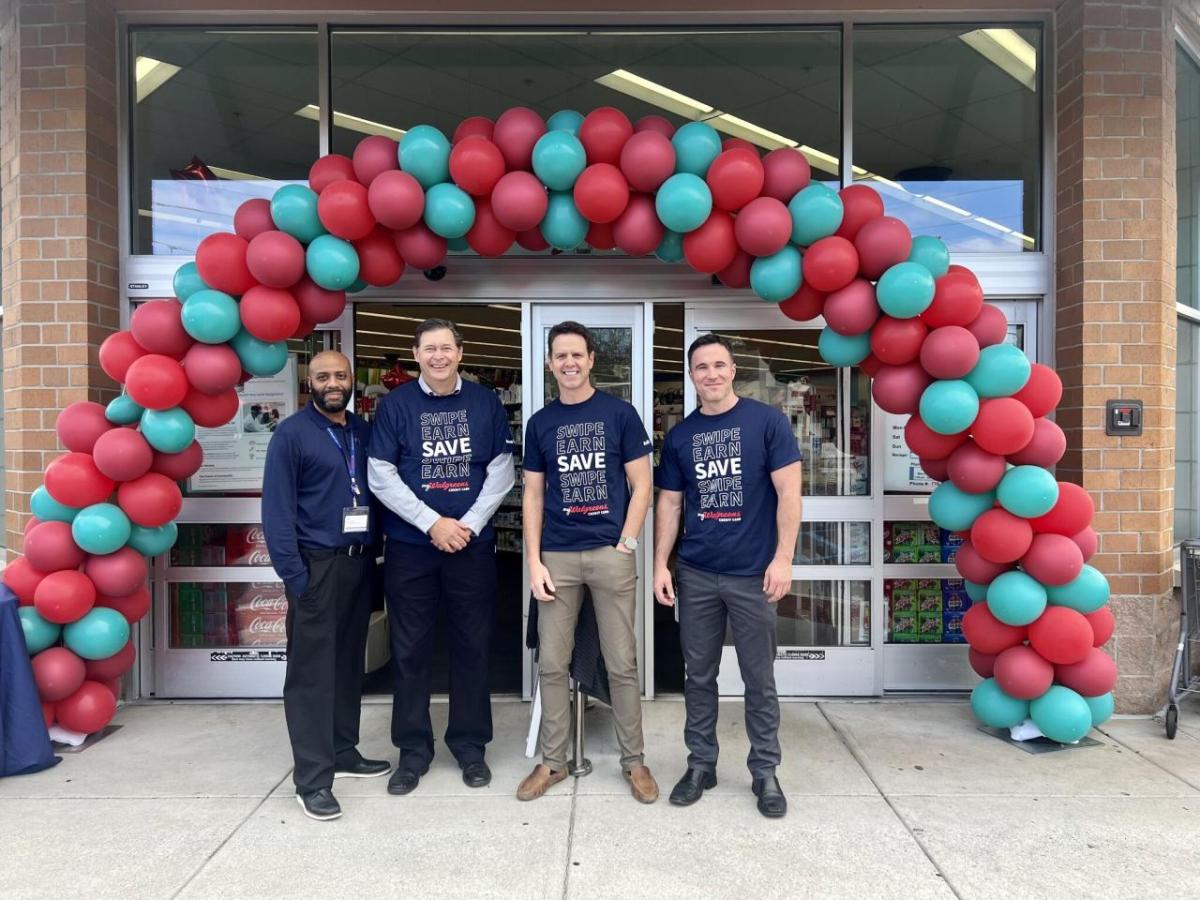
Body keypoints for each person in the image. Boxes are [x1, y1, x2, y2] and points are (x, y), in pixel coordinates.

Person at [653, 333, 802, 819]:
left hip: (752, 576)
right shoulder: (680, 436)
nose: (711, 374)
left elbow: (789, 495)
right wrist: (661, 564)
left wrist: (783, 558)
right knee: (699, 676)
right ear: (692, 376)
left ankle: (764, 771)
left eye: (719, 365)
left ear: (733, 370)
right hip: (697, 574)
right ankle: (701, 765)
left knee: (760, 679)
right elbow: (670, 504)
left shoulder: (766, 423)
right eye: (701, 367)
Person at [367, 318, 515, 795]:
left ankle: (470, 747)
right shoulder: (395, 405)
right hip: (412, 549)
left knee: (472, 647)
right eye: (429, 348)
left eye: (446, 348)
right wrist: (432, 523)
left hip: (471, 547)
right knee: (409, 650)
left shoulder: (484, 401)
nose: (438, 356)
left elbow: (501, 470)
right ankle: (413, 750)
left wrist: (466, 524)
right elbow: (380, 474)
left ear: (460, 352)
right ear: (415, 354)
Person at [518, 321, 658, 804]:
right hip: (556, 555)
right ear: (550, 362)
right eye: (561, 356)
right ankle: (553, 762)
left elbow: (643, 484)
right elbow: (533, 494)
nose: (570, 363)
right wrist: (533, 561)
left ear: (592, 359)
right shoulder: (540, 423)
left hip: (609, 555)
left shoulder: (620, 414)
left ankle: (634, 762)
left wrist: (628, 541)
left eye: (577, 354)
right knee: (553, 664)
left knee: (622, 663)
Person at [262, 350, 389, 822]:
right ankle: (312, 779)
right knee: (312, 675)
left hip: (359, 565)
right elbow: (277, 514)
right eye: (322, 377)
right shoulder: (291, 436)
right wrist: (297, 578)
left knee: (346, 665)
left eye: (340, 375)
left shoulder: (362, 431)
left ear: (352, 379)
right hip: (316, 568)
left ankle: (343, 749)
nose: (332, 383)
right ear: (308, 383)